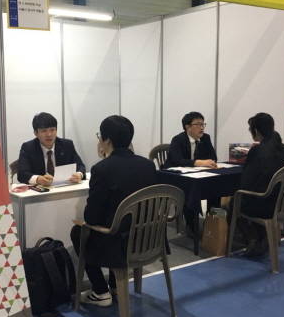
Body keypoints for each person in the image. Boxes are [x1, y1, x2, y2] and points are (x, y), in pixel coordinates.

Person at [70, 115, 156, 307]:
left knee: (79, 232)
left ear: (106, 140)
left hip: (118, 245)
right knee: (116, 224)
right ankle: (116, 286)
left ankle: (100, 291)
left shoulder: (102, 169)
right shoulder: (148, 165)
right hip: (148, 239)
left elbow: (91, 217)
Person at [233, 112, 284, 257]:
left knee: (234, 204)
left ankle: (253, 239)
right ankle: (263, 238)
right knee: (252, 197)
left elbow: (246, 182)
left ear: (256, 131)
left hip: (265, 206)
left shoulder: (257, 151)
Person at [164, 112, 218, 233]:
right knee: (189, 191)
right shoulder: (178, 139)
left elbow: (213, 157)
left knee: (215, 188)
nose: (202, 127)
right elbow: (177, 160)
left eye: (203, 124)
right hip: (176, 177)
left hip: (196, 175)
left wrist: (208, 162)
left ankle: (211, 222)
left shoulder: (205, 138)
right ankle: (191, 224)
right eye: (198, 124)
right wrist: (198, 162)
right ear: (187, 127)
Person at [16, 112, 86, 186]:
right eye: (44, 131)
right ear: (36, 133)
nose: (49, 134)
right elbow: (21, 174)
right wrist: (37, 179)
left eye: (52, 130)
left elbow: (80, 166)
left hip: (65, 188)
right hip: (41, 190)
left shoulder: (67, 145)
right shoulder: (28, 148)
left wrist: (79, 174)